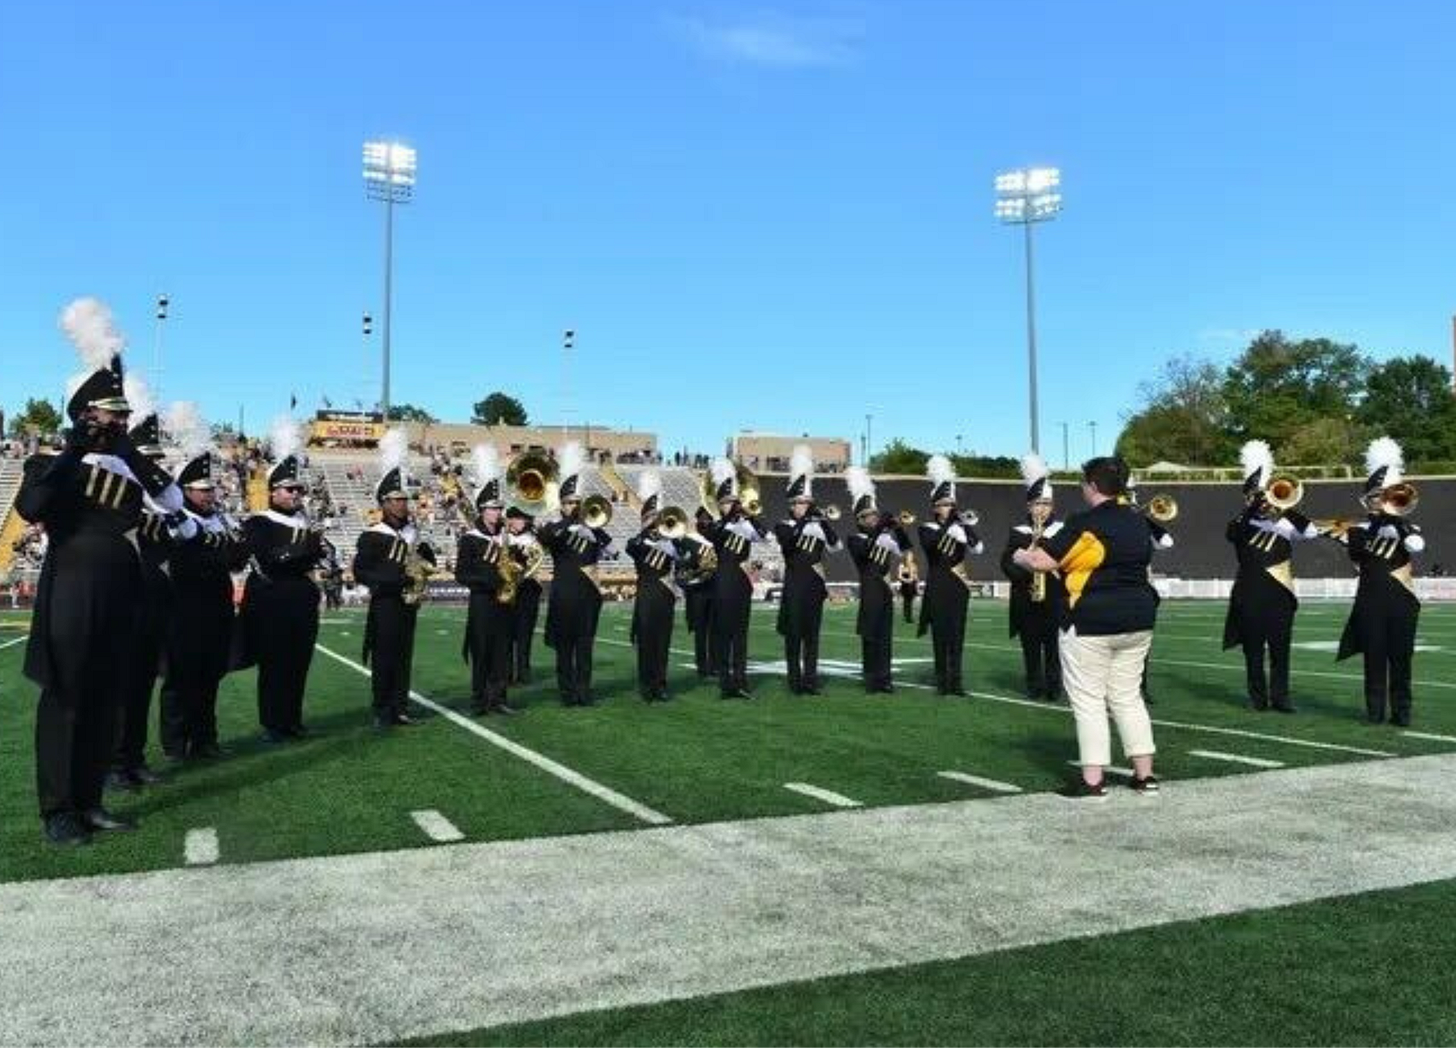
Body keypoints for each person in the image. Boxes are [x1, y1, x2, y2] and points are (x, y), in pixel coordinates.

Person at [17, 298, 183, 844]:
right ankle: (58, 810)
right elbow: (31, 507)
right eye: (115, 413)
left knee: (104, 702)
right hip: (73, 596)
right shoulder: (52, 464)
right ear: (87, 412)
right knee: (66, 701)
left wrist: (130, 453)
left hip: (122, 596)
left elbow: (174, 502)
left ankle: (89, 801)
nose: (124, 420)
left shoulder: (126, 470)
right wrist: (71, 450)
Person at [1015, 455, 1160, 800]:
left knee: (1089, 701)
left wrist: (1021, 555)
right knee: (1128, 697)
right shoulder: (1140, 520)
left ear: (1093, 486)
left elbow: (1041, 561)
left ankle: (1093, 781)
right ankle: (1146, 776)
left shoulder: (1085, 521)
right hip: (1139, 616)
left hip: (1091, 618)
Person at [111, 405, 194, 789]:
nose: (154, 469)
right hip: (126, 600)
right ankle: (114, 764)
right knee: (121, 688)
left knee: (143, 684)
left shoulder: (163, 508)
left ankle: (134, 757)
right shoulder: (122, 502)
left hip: (157, 603)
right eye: (149, 460)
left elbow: (189, 531)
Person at [159, 409, 249, 761]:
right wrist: (223, 552)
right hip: (185, 608)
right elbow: (201, 558)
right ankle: (175, 744)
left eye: (211, 489)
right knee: (181, 679)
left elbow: (235, 557)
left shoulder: (218, 519)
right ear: (185, 491)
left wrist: (230, 551)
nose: (210, 495)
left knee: (210, 675)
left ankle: (205, 739)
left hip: (217, 607)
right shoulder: (180, 521)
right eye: (202, 490)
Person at [240, 416, 325, 743]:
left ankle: (292, 719)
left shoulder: (303, 523)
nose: (296, 494)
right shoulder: (259, 521)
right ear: (273, 492)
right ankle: (273, 724)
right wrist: (305, 549)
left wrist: (305, 550)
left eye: (299, 489)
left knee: (299, 662)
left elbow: (303, 557)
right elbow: (271, 561)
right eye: (290, 489)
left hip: (301, 599)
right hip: (272, 600)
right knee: (274, 665)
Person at [1222, 441, 1318, 713]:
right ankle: (1257, 698)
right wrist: (1252, 507)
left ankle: (1281, 698)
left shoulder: (1285, 524)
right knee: (1253, 651)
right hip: (1249, 595)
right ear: (1247, 498)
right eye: (1257, 495)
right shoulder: (1240, 523)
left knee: (1280, 650)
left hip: (1280, 596)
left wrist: (1285, 506)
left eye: (1266, 494)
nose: (1264, 499)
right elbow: (1233, 535)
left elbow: (1310, 532)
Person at [1338, 437, 1424, 726]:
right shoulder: (1359, 529)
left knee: (1402, 660)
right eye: (1378, 496)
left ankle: (1402, 712)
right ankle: (1375, 713)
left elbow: (1417, 546)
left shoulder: (1407, 528)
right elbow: (1357, 551)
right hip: (1370, 602)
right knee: (1374, 660)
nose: (1382, 500)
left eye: (1386, 495)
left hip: (1403, 602)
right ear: (1369, 499)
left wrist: (1396, 519)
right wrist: (1381, 521)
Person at [352, 429, 435, 729]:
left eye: (405, 499)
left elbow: (428, 563)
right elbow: (360, 571)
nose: (403, 504)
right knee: (384, 658)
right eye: (396, 499)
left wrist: (424, 566)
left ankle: (400, 707)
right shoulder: (373, 535)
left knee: (403, 658)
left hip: (408, 605)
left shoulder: (414, 533)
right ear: (383, 503)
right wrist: (393, 581)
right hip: (385, 603)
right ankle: (381, 709)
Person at [539, 441, 611, 706]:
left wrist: (591, 528)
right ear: (562, 505)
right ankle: (566, 692)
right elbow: (545, 537)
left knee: (585, 647)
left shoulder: (593, 530)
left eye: (578, 502)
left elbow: (613, 549)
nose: (574, 506)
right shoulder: (556, 528)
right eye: (569, 502)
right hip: (563, 596)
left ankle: (584, 690)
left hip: (588, 597)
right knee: (564, 648)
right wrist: (569, 524)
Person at [699, 457, 768, 699]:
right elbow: (714, 536)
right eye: (728, 502)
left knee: (741, 635)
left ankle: (741, 680)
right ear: (719, 504)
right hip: (723, 582)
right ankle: (725, 682)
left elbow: (765, 535)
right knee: (724, 633)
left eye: (734, 501)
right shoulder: (715, 525)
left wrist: (749, 516)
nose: (732, 505)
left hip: (741, 583)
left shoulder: (745, 526)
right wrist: (731, 517)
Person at [1000, 453, 1066, 702]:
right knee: (1030, 645)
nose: (1042, 509)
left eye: (1047, 504)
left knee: (1054, 647)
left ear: (1053, 507)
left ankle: (1053, 686)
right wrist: (1028, 564)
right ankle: (1033, 685)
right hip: (1026, 597)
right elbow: (1006, 563)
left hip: (1056, 596)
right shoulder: (1019, 532)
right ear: (1029, 506)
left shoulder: (1061, 531)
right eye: (1037, 503)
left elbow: (1067, 562)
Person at [456, 444, 517, 715]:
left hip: (505, 602)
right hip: (482, 602)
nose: (498, 512)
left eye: (500, 507)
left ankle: (499, 698)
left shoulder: (506, 538)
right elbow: (462, 573)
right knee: (481, 651)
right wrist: (488, 581)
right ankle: (479, 700)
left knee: (502, 652)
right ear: (482, 509)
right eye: (493, 508)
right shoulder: (470, 538)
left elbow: (516, 565)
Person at [773, 446, 839, 695]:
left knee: (812, 637)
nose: (807, 506)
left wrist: (822, 521)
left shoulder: (818, 526)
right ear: (793, 505)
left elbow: (836, 546)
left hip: (814, 588)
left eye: (809, 502)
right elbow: (788, 543)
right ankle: (794, 681)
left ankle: (810, 681)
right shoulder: (784, 525)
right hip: (794, 587)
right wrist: (804, 520)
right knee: (794, 636)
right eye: (802, 502)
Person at [917, 454, 982, 696]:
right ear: (935, 507)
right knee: (940, 637)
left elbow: (978, 548)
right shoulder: (927, 528)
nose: (948, 508)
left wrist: (965, 527)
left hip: (958, 587)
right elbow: (932, 547)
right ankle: (942, 681)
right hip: (937, 586)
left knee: (957, 635)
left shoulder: (960, 527)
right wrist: (951, 529)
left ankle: (956, 681)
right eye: (944, 505)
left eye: (951, 505)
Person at [844, 466, 912, 693]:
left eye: (874, 515)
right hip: (870, 590)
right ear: (859, 519)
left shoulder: (884, 538)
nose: (873, 519)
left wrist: (899, 529)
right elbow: (864, 551)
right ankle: (871, 678)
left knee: (885, 637)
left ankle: (885, 678)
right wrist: (881, 528)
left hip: (885, 591)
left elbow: (905, 550)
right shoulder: (854, 538)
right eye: (868, 517)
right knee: (870, 635)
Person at [625, 470, 678, 701]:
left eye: (658, 517)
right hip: (647, 595)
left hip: (666, 595)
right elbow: (633, 547)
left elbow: (687, 555)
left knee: (663, 643)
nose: (656, 522)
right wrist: (648, 531)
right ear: (644, 519)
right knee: (646, 642)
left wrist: (668, 537)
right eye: (651, 517)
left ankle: (661, 684)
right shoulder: (638, 541)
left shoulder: (671, 542)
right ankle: (646, 686)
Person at [679, 506, 719, 679]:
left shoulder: (716, 539)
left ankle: (715, 664)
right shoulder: (689, 540)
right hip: (697, 590)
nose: (706, 522)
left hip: (715, 588)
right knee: (701, 630)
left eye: (709, 519)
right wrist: (694, 570)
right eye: (703, 519)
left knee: (715, 630)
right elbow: (682, 565)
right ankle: (702, 665)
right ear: (697, 521)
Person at [505, 504, 543, 685]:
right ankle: (507, 673)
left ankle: (523, 672)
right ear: (510, 520)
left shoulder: (533, 539)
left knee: (525, 633)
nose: (522, 522)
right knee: (506, 634)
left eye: (524, 518)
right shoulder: (502, 538)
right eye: (519, 518)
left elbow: (537, 561)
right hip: (507, 589)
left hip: (528, 589)